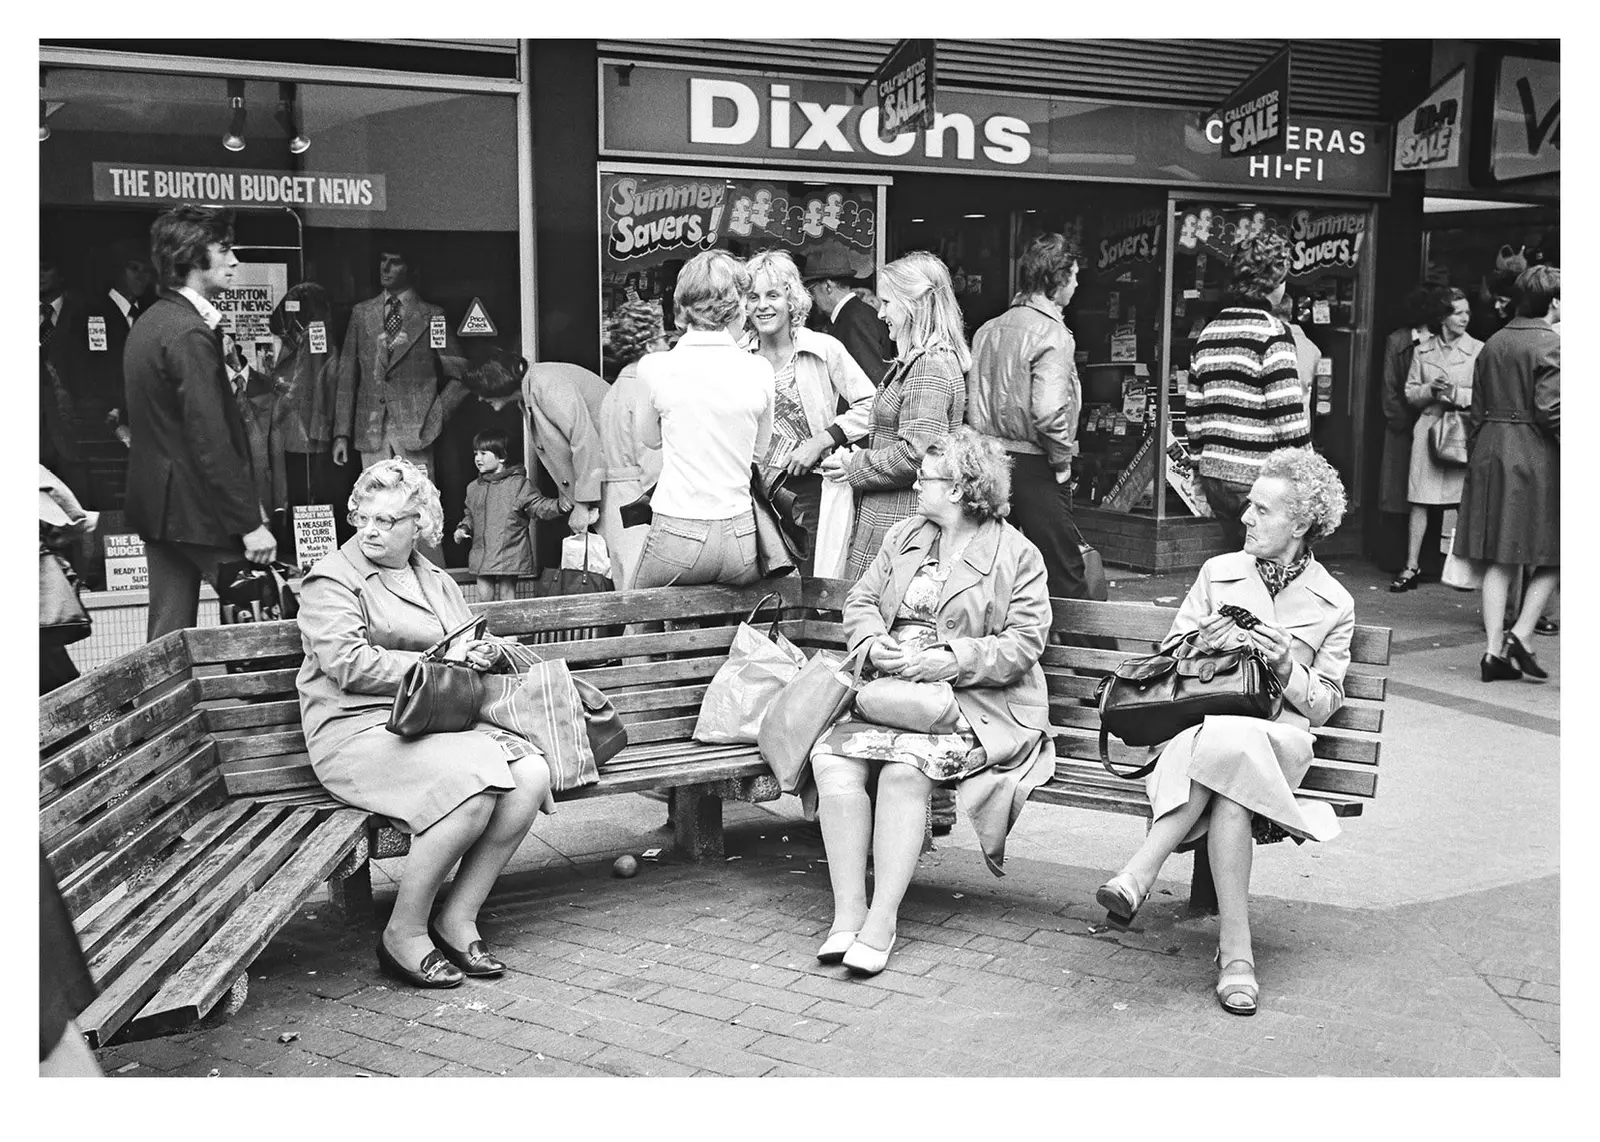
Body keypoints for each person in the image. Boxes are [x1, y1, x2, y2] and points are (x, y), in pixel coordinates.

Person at [1094, 446, 1353, 1017]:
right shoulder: (1220, 573)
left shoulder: (1334, 602)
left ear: (1302, 522)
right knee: (1231, 779)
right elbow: (1168, 660)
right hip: (1204, 732)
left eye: (1262, 509)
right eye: (1249, 506)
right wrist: (1205, 645)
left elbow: (1326, 705)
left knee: (1235, 747)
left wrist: (1288, 667)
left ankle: (1141, 869)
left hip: (1277, 740)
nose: (1246, 518)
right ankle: (1237, 956)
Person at [296, 458, 554, 988]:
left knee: (530, 775)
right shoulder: (331, 579)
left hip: (433, 722)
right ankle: (404, 933)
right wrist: (439, 665)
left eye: (389, 520)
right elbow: (348, 663)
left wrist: (479, 654)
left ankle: (457, 916)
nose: (370, 528)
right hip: (358, 733)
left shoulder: (433, 576)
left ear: (420, 524)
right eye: (364, 516)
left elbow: (465, 641)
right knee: (474, 785)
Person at [808, 429, 1055, 977]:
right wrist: (874, 642)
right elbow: (863, 600)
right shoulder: (905, 535)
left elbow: (1025, 641)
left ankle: (882, 921)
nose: (917, 483)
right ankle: (847, 912)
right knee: (831, 760)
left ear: (967, 488)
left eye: (930, 478)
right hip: (893, 693)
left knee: (902, 771)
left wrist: (955, 658)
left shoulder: (1016, 553)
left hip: (969, 702)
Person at [122, 205, 277, 639]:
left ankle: (160, 708)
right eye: (224, 250)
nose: (234, 261)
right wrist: (248, 523)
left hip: (160, 506)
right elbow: (211, 440)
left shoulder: (150, 323)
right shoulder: (188, 333)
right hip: (200, 510)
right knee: (261, 619)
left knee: (168, 635)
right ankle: (266, 708)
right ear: (192, 256)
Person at [819, 251, 968, 579]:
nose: (881, 313)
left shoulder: (928, 366)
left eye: (887, 303)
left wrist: (852, 464)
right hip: (898, 522)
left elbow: (917, 454)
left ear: (915, 305)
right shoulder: (925, 361)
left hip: (901, 524)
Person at [633, 250, 774, 589]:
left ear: (682, 307)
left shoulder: (655, 367)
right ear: (739, 306)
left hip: (678, 532)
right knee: (734, 629)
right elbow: (759, 451)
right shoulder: (760, 369)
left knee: (638, 624)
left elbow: (650, 439)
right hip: (741, 536)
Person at [966, 232, 1089, 599]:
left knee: (993, 566)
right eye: (1075, 275)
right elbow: (1049, 411)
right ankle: (1086, 653)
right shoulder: (1053, 333)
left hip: (989, 461)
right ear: (1059, 279)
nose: (1078, 284)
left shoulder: (988, 329)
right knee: (1063, 569)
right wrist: (1062, 459)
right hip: (1035, 464)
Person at [1454, 266, 1560, 684]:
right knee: (1559, 551)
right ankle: (1521, 633)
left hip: (1490, 450)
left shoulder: (1494, 341)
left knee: (1499, 555)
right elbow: (1552, 410)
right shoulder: (1551, 344)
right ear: (1553, 302)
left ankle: (1493, 652)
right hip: (1533, 452)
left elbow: (1475, 409)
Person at [746, 250, 875, 577]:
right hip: (754, 497)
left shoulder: (822, 348)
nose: (763, 305)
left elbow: (871, 402)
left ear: (792, 299)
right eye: (753, 297)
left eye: (773, 295)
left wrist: (822, 440)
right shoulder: (737, 358)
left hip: (809, 494)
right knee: (762, 592)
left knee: (810, 585)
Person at [1186, 232, 1312, 548]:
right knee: (1275, 566)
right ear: (1274, 283)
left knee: (1237, 564)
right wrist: (1309, 474)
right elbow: (1289, 419)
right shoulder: (1274, 334)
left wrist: (1199, 469)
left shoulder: (1209, 333)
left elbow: (1194, 415)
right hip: (1256, 479)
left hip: (1216, 476)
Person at [332, 248, 468, 491]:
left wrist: (434, 418)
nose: (385, 268)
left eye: (395, 262)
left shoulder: (432, 315)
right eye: (382, 260)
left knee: (418, 502)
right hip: (371, 429)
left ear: (412, 270)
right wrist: (341, 433)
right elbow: (346, 377)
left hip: (416, 431)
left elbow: (460, 375)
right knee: (374, 502)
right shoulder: (362, 313)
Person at [1392, 288, 1480, 592]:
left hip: (1460, 430)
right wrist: (1430, 389)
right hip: (1429, 429)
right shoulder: (1422, 350)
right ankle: (1411, 566)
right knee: (1420, 500)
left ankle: (1461, 569)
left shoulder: (1479, 350)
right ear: (1443, 317)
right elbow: (1409, 394)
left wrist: (1456, 394)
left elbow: (1486, 396)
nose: (1465, 318)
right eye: (1459, 312)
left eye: (1467, 312)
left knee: (1461, 502)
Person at [595, 301, 667, 591]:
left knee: (626, 589)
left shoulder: (614, 391)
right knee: (646, 597)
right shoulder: (646, 388)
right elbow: (652, 463)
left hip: (614, 501)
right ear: (649, 346)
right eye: (663, 338)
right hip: (639, 501)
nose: (668, 345)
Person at [267, 282, 343, 556]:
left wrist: (280, 405)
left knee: (301, 489)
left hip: (301, 422)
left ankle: (304, 550)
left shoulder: (314, 333)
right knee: (303, 488)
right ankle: (306, 549)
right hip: (305, 421)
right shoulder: (317, 332)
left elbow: (303, 380)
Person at [453, 429, 560, 601]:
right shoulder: (474, 488)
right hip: (482, 553)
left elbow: (538, 505)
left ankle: (508, 628)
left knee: (507, 596)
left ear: (501, 457)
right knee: (483, 598)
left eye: (483, 453)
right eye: (475, 454)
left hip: (510, 550)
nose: (477, 458)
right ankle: (487, 628)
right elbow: (470, 515)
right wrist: (463, 527)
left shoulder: (518, 484)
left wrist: (559, 506)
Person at [1377, 286, 1436, 572]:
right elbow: (1389, 388)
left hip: (1412, 426)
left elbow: (1389, 389)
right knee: (1405, 493)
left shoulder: (1399, 340)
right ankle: (1408, 558)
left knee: (1413, 494)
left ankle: (1404, 558)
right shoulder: (1401, 341)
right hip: (1412, 427)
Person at [520, 358, 609, 538]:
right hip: (611, 472)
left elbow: (584, 441)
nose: (481, 399)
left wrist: (583, 504)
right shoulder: (537, 383)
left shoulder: (547, 384)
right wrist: (566, 490)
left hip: (621, 473)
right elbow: (562, 447)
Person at [803, 247, 894, 385]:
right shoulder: (854, 315)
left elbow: (871, 380)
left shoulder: (853, 320)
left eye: (812, 290)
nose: (812, 298)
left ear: (828, 286)